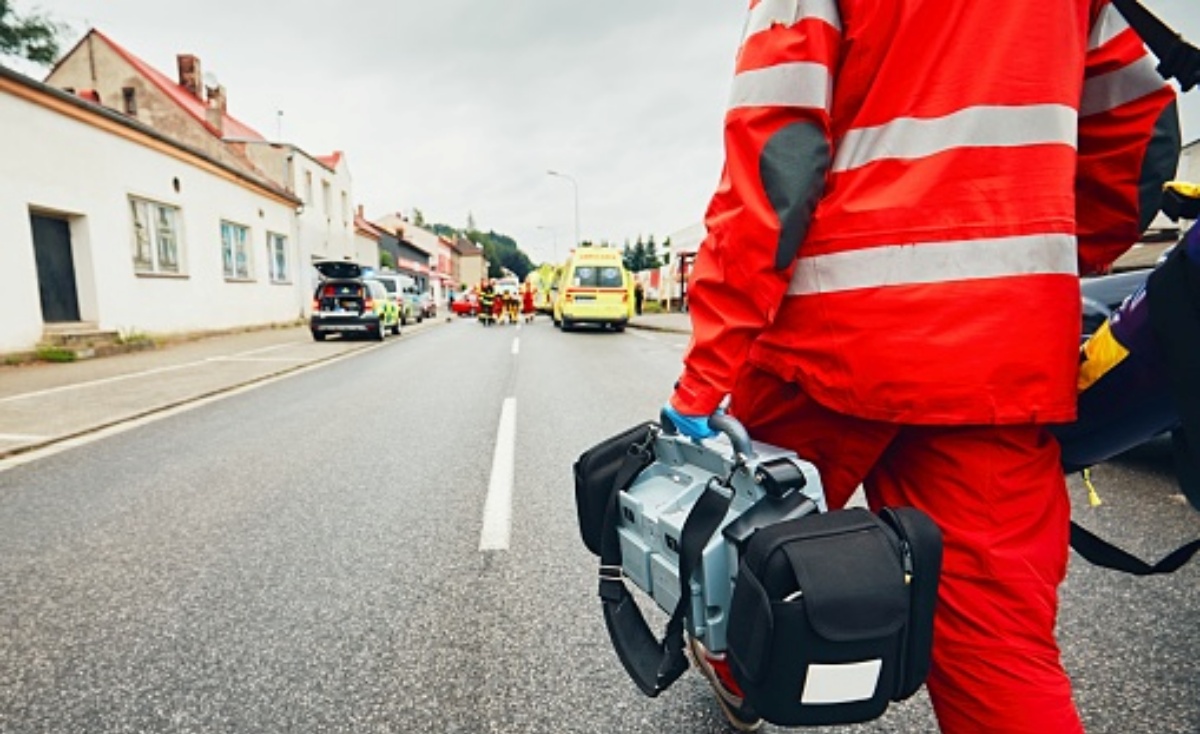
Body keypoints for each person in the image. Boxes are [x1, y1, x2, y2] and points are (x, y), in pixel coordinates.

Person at [664, 3, 1180, 733]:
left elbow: (774, 163)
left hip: (827, 346)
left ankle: (742, 667)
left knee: (739, 539)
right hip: (996, 360)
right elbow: (1142, 142)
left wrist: (706, 374)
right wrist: (1027, 273)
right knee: (999, 652)